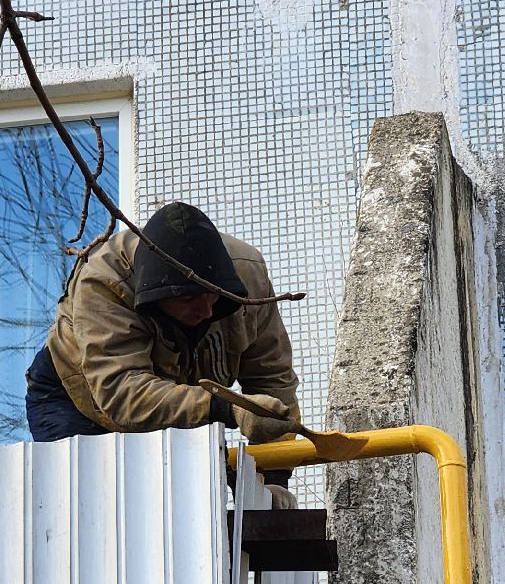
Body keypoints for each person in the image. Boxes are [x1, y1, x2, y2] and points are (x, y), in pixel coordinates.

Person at [25, 203, 301, 477]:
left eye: (212, 295)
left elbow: (273, 379)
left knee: (199, 500)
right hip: (76, 400)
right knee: (92, 503)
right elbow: (122, 392)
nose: (206, 311)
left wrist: (274, 479)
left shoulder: (248, 279)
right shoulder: (105, 283)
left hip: (180, 399)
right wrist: (227, 408)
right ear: (155, 295)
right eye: (188, 298)